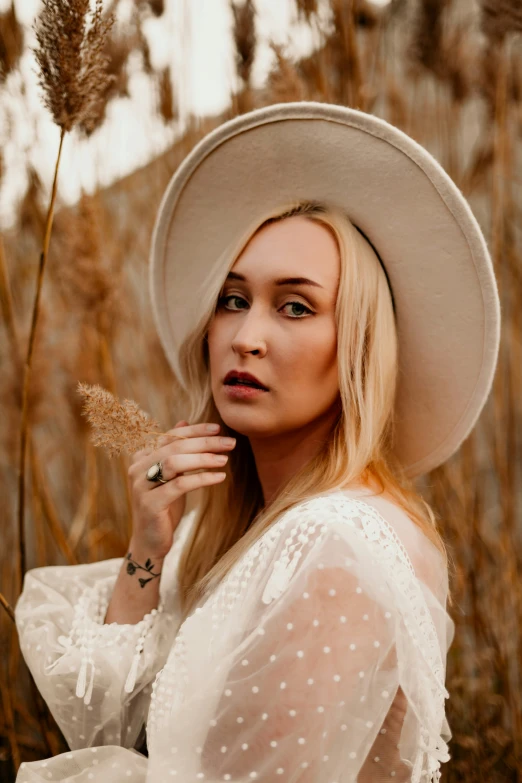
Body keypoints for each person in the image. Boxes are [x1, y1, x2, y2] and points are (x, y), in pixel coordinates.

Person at [14, 101, 500, 783]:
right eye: (233, 299)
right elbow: (110, 723)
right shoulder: (250, 533)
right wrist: (149, 545)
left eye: (295, 306)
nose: (245, 336)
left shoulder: (337, 544)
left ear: (358, 346)